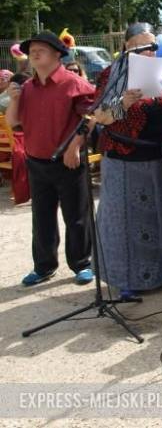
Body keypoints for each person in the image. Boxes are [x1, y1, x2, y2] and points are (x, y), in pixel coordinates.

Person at [93, 23, 162, 298]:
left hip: (160, 158)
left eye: (152, 47)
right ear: (127, 47)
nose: (149, 52)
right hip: (125, 161)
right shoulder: (111, 75)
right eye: (143, 47)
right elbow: (101, 117)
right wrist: (122, 103)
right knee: (128, 224)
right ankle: (127, 280)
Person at [5, 31, 95, 286]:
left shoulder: (74, 83)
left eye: (41, 48)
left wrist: (75, 146)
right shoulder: (27, 88)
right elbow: (13, 122)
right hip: (36, 161)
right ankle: (44, 266)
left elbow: (90, 119)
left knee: (76, 216)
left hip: (68, 161)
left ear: (58, 54)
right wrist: (13, 100)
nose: (34, 51)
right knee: (41, 217)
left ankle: (82, 264)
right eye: (31, 48)